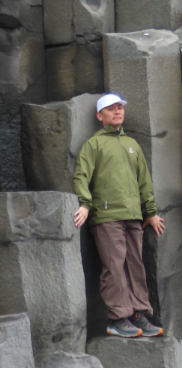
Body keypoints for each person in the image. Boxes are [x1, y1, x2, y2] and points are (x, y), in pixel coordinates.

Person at [73, 93, 165, 339]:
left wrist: (151, 213)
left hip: (133, 216)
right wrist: (84, 204)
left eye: (120, 108)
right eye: (111, 109)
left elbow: (144, 182)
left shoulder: (132, 145)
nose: (117, 112)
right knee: (114, 267)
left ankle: (139, 315)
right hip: (106, 217)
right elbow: (82, 175)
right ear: (99, 116)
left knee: (136, 266)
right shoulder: (94, 144)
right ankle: (117, 319)